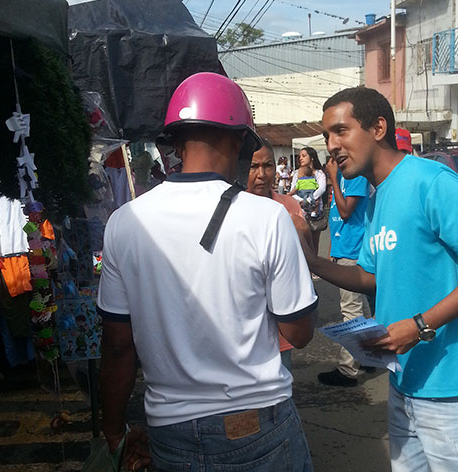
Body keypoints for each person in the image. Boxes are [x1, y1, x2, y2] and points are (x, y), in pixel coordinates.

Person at [97, 72, 317, 472]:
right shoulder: (268, 218)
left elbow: (117, 346)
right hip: (258, 425)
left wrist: (114, 428)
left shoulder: (124, 222)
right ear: (240, 141)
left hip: (169, 432)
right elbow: (298, 335)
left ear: (177, 143)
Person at [302, 87, 458, 471]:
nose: (331, 146)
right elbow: (370, 275)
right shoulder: (378, 196)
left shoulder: (430, 181)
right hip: (405, 384)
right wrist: (311, 262)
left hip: (456, 390)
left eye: (340, 131)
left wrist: (419, 326)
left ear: (378, 127)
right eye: (326, 137)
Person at [247, 138, 307, 372]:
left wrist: (302, 233)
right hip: (247, 324)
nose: (262, 174)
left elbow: (307, 262)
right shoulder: (231, 207)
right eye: (253, 167)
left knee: (282, 387)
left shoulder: (290, 205)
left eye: (268, 165)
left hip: (284, 320)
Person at [316, 151, 371, 387]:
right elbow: (338, 218)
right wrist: (334, 249)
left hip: (354, 252)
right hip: (344, 248)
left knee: (351, 311)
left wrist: (333, 180)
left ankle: (348, 369)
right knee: (362, 311)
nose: (333, 161)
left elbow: (346, 210)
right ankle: (369, 356)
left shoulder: (355, 177)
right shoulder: (341, 178)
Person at [290, 147, 327, 256]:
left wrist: (310, 199)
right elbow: (293, 190)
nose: (300, 158)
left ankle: (315, 269)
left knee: (314, 243)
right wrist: (302, 200)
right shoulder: (297, 173)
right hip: (301, 211)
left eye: (304, 156)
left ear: (311, 158)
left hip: (316, 211)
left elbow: (322, 189)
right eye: (300, 156)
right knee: (302, 242)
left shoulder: (320, 174)